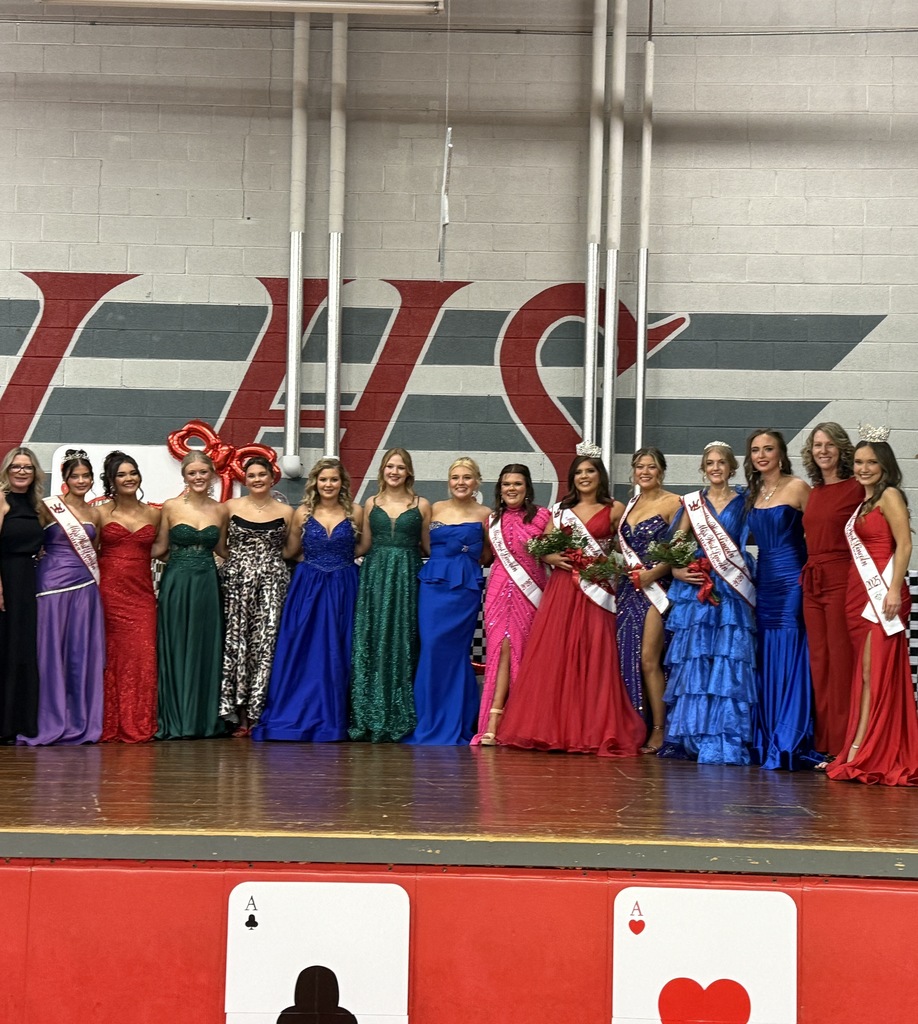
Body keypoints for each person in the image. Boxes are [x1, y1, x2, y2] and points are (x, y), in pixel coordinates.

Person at [499, 450, 646, 757]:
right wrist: (552, 557)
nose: (584, 477)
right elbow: (544, 548)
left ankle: (591, 728)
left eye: (590, 471)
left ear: (599, 476)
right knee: (559, 656)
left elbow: (626, 547)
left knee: (596, 654)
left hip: (598, 591)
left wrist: (612, 566)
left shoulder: (614, 508)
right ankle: (554, 729)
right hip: (564, 589)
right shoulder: (562, 510)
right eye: (579, 472)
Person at [826, 432, 918, 786]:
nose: (864, 468)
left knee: (875, 673)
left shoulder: (889, 496)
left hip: (882, 593)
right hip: (857, 593)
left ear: (884, 466)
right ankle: (861, 745)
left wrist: (894, 590)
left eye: (871, 463)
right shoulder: (862, 504)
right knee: (864, 674)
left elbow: (905, 544)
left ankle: (863, 750)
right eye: (860, 462)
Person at [253, 457, 363, 742]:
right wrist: (314, 562)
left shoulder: (356, 513)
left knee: (341, 649)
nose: (328, 484)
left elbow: (364, 545)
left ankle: (337, 714)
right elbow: (290, 551)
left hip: (344, 585)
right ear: (315, 482)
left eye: (334, 479)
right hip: (309, 587)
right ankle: (298, 710)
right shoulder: (301, 513)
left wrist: (339, 560)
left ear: (342, 484)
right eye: (323, 479)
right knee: (306, 649)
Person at [663, 441, 757, 764]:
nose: (716, 468)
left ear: (732, 467)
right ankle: (696, 731)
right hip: (700, 584)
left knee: (729, 657)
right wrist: (676, 568)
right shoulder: (692, 504)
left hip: (732, 586)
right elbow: (676, 544)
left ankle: (725, 732)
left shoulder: (746, 501)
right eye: (710, 463)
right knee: (698, 657)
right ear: (703, 469)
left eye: (722, 463)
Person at [21, 450, 105, 745]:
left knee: (79, 653)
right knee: (49, 653)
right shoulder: (47, 507)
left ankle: (78, 719)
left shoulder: (97, 513)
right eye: (75, 476)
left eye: (86, 476)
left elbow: (95, 550)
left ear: (92, 479)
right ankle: (46, 719)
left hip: (84, 587)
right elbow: (30, 537)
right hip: (51, 586)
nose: (81, 481)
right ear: (65, 480)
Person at [406, 456, 491, 745]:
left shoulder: (486, 514)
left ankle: (458, 719)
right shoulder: (434, 508)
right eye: (455, 477)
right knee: (430, 647)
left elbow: (488, 555)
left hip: (464, 587)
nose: (461, 482)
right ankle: (428, 719)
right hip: (433, 585)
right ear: (448, 481)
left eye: (467, 477)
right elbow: (426, 545)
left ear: (477, 481)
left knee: (455, 653)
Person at [349, 448, 431, 742]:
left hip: (408, 575)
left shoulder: (422, 504)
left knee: (403, 639)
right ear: (382, 470)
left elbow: (427, 548)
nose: (394, 472)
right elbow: (365, 545)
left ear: (409, 472)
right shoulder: (371, 502)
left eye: (400, 467)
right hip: (375, 576)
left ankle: (399, 713)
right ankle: (369, 714)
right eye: (389, 466)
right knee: (372, 639)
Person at [744, 430, 813, 769]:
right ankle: (768, 733)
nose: (761, 455)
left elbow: (820, 532)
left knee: (789, 644)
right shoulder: (753, 492)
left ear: (781, 453)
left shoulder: (798, 487)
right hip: (765, 579)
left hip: (793, 578)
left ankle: (789, 735)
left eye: (768, 449)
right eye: (756, 450)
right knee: (767, 650)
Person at [152, 451, 229, 739]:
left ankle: (201, 719)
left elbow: (223, 550)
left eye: (203, 472)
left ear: (212, 474)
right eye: (192, 473)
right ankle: (176, 717)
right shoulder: (170, 507)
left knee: (204, 646)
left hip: (207, 583)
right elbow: (160, 548)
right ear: (184, 476)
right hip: (177, 582)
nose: (198, 477)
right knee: (175, 645)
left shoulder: (221, 510)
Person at [472, 464, 550, 745]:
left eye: (517, 483)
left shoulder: (543, 516)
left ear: (527, 487)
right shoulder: (491, 520)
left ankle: (518, 722)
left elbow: (552, 553)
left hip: (529, 591)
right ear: (499, 488)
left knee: (522, 652)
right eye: (506, 484)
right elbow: (485, 557)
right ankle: (492, 722)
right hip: (497, 589)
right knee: (499, 651)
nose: (511, 489)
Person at [799, 421, 863, 759]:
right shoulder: (815, 492)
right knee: (819, 662)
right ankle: (824, 744)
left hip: (841, 579)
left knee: (841, 663)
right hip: (812, 582)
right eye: (817, 445)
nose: (822, 450)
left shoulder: (856, 488)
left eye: (829, 444)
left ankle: (844, 745)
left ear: (841, 449)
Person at [219, 456, 292, 736]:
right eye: (252, 475)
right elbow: (221, 545)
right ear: (244, 479)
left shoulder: (286, 511)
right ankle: (235, 712)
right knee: (236, 643)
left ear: (272, 477)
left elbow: (291, 550)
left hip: (272, 583)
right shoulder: (230, 507)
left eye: (262, 474)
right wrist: (242, 564)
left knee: (265, 643)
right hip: (237, 582)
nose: (257, 479)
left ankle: (257, 711)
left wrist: (266, 565)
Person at [616, 447, 681, 753]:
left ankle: (660, 728)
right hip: (629, 589)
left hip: (658, 588)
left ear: (661, 471)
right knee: (626, 656)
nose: (645, 471)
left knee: (648, 659)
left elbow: (679, 553)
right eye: (639, 466)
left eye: (651, 466)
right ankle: (635, 725)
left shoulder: (673, 503)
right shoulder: (631, 505)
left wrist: (652, 576)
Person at [98, 451, 161, 743]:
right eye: (121, 474)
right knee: (112, 657)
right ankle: (109, 720)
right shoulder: (100, 513)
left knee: (142, 656)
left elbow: (160, 550)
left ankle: (138, 721)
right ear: (111, 480)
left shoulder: (154, 514)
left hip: (142, 595)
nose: (128, 478)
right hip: (109, 592)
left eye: (132, 472)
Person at [0, 447, 45, 743]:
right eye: (16, 466)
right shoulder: (1, 502)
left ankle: (22, 722)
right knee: (5, 649)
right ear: (7, 470)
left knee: (24, 650)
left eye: (27, 467)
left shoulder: (38, 505)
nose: (21, 471)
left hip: (29, 582)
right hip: (6, 580)